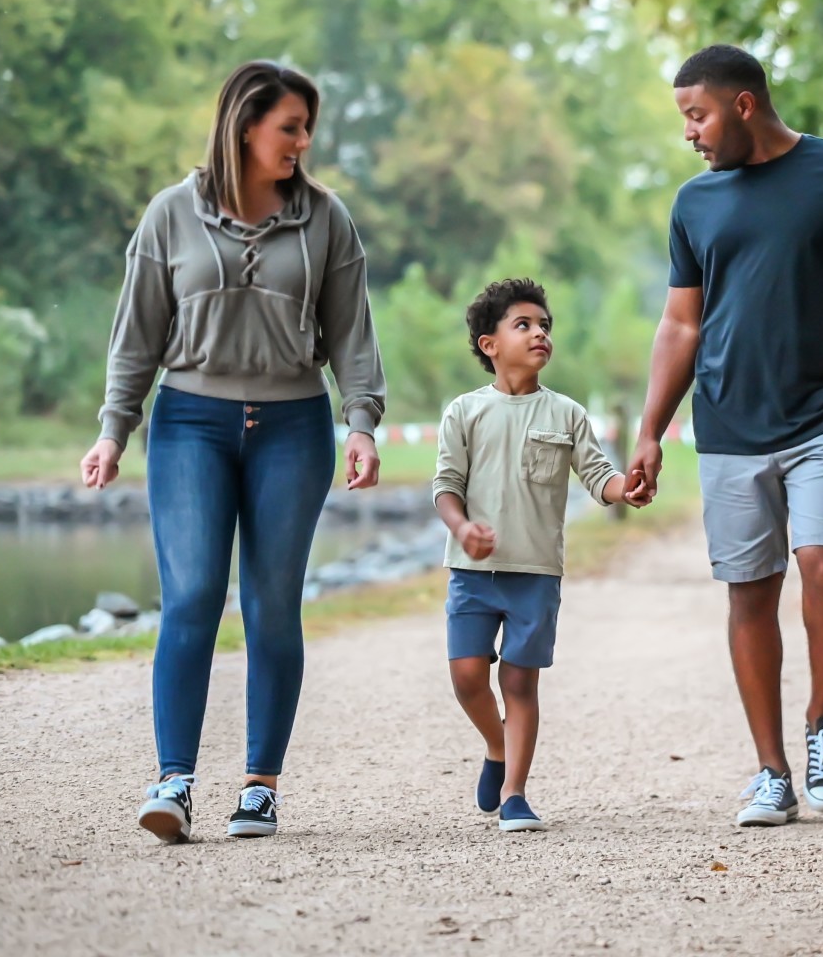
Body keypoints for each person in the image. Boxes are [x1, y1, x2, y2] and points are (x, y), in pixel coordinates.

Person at [624, 44, 823, 828]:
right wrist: (650, 431)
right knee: (751, 591)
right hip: (729, 423)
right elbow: (680, 322)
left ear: (741, 104)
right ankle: (771, 770)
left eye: (696, 115)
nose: (689, 133)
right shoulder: (695, 204)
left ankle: (822, 722)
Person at [80, 60, 387, 843]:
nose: (303, 141)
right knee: (188, 599)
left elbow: (352, 331)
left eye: (307, 128)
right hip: (188, 422)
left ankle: (259, 786)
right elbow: (136, 334)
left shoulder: (326, 219)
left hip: (293, 426)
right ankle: (173, 782)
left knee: (271, 605)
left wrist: (361, 422)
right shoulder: (169, 216)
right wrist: (114, 430)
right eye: (290, 127)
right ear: (245, 126)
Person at [432, 277, 643, 832]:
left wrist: (629, 487)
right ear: (489, 344)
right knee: (466, 677)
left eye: (544, 325)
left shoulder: (567, 414)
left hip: (535, 575)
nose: (539, 333)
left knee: (520, 684)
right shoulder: (464, 412)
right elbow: (446, 485)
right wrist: (462, 526)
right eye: (522, 324)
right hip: (471, 571)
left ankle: (515, 793)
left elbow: (599, 476)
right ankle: (496, 747)